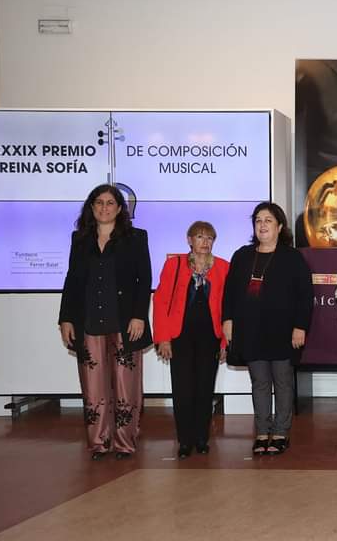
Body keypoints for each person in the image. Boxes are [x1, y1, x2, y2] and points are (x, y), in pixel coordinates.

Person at [58, 184, 152, 461]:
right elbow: (72, 281)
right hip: (88, 322)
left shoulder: (136, 237)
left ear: (120, 208)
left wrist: (139, 315)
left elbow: (144, 279)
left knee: (125, 385)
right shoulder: (80, 239)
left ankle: (124, 442)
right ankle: (99, 442)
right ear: (91, 207)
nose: (104, 208)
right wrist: (65, 318)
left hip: (125, 323)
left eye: (110, 203)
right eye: (99, 202)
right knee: (93, 386)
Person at [222, 202, 313, 456]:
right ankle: (262, 432)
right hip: (250, 330)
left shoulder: (292, 258)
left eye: (268, 220)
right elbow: (229, 292)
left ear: (280, 226)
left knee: (283, 383)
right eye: (258, 220)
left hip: (283, 331)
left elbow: (305, 296)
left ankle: (281, 432)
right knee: (259, 383)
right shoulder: (242, 255)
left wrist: (300, 326)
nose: (262, 225)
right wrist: (228, 320)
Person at [152, 221, 230, 458]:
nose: (205, 242)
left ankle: (201, 438)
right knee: (182, 389)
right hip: (180, 337)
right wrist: (163, 338)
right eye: (199, 237)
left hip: (210, 337)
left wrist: (225, 342)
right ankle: (185, 441)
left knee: (205, 389)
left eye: (209, 238)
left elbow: (228, 308)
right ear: (189, 240)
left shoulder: (223, 267)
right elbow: (161, 301)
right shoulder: (174, 264)